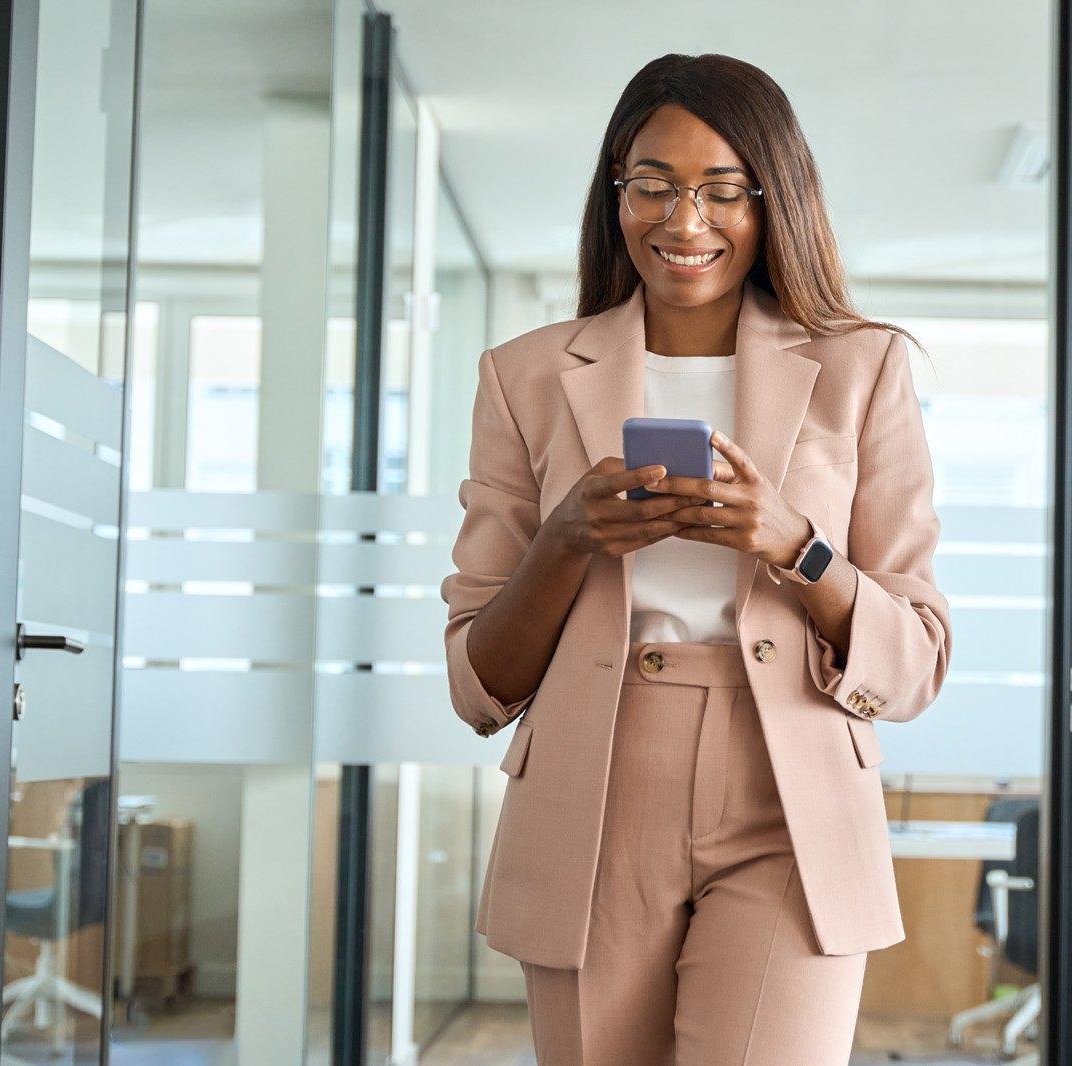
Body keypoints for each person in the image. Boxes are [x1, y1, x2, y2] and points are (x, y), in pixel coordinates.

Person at [438, 52, 954, 1065]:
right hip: (592, 792)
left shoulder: (865, 366)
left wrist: (794, 547)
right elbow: (478, 680)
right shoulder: (526, 376)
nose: (684, 222)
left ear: (775, 201)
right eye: (654, 186)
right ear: (615, 191)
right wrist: (567, 539)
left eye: (724, 191)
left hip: (790, 797)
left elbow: (918, 658)